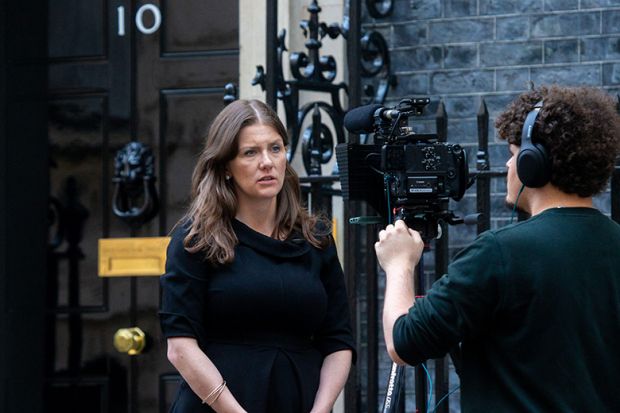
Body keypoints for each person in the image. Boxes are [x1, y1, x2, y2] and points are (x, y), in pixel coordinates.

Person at [375, 85, 620, 412]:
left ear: (534, 162)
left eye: (513, 152)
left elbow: (403, 343)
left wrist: (398, 265)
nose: (507, 165)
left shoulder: (499, 253)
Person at [159, 99, 355, 413]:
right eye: (250, 152)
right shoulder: (196, 239)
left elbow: (339, 341)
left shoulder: (315, 238)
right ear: (225, 166)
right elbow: (180, 348)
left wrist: (321, 409)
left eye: (275, 149)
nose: (267, 162)